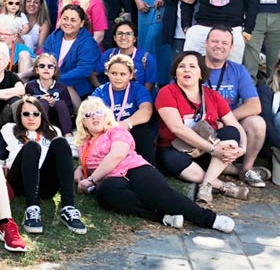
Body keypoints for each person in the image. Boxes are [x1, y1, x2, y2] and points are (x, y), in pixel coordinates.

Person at [75, 97, 235, 233]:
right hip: (112, 179)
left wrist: (92, 179)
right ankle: (163, 217)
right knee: (107, 195)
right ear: (83, 122)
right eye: (89, 115)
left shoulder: (116, 131)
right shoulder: (84, 143)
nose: (95, 117)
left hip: (134, 168)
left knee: (159, 195)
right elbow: (88, 163)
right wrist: (81, 170)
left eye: (99, 112)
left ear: (106, 116)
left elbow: (117, 154)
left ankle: (209, 219)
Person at [155, 52, 250, 205]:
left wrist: (243, 149)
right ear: (175, 72)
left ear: (201, 73)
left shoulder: (212, 95)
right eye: (182, 66)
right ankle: (222, 185)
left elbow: (235, 125)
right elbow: (177, 128)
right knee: (171, 159)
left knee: (230, 132)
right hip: (177, 150)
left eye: (192, 66)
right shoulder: (167, 92)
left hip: (207, 152)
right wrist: (213, 149)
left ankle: (206, 184)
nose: (187, 70)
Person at [0, 95, 86, 235]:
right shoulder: (9, 130)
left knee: (61, 143)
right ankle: (32, 209)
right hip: (19, 179)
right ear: (19, 116)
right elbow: (0, 159)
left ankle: (69, 208)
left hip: (45, 183)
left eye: (35, 114)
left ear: (42, 115)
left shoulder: (53, 131)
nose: (31, 118)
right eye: (26, 114)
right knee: (31, 146)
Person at [202, 27, 272, 188]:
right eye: (214, 41)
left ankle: (246, 169)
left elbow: (255, 105)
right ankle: (231, 169)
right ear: (206, 43)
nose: (219, 46)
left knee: (257, 122)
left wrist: (228, 118)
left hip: (228, 123)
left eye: (225, 43)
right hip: (201, 124)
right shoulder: (193, 65)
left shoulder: (237, 70)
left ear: (231, 47)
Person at [91, 54, 156, 165]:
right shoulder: (100, 91)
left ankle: (148, 166)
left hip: (131, 128)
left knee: (143, 130)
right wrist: (110, 126)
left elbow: (146, 111)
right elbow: (92, 113)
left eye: (123, 74)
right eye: (113, 73)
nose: (118, 78)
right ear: (107, 73)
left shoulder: (138, 89)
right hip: (107, 129)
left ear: (131, 75)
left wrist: (126, 123)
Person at [40, 4, 100, 107]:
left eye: (73, 20)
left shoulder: (88, 42)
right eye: (65, 19)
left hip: (77, 85)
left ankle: (78, 117)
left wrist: (56, 80)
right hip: (49, 80)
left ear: (81, 23)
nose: (68, 23)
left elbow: (84, 70)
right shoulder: (53, 37)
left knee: (66, 86)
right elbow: (44, 59)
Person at [95, 20, 157, 91]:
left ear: (135, 38)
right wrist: (103, 91)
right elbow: (93, 75)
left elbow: (148, 90)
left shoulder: (147, 59)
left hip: (137, 100)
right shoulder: (109, 54)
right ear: (114, 38)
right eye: (119, 33)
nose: (124, 37)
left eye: (128, 34)